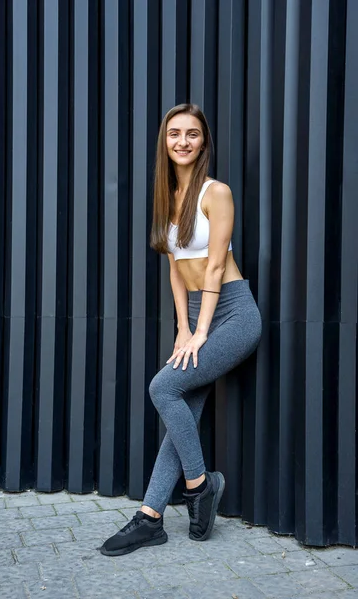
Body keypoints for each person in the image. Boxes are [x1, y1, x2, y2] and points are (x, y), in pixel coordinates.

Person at [100, 103, 262, 556]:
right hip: (198, 315)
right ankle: (151, 517)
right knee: (182, 414)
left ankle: (200, 486)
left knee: (163, 389)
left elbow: (212, 269)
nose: (182, 142)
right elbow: (176, 270)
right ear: (164, 142)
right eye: (174, 134)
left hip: (233, 315)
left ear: (204, 142)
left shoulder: (217, 193)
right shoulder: (166, 197)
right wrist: (182, 327)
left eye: (192, 134)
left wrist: (201, 332)